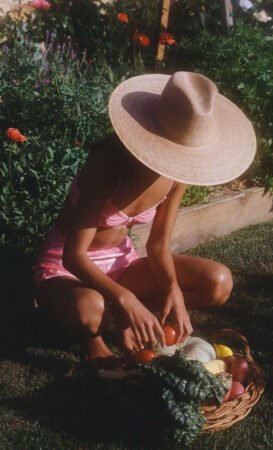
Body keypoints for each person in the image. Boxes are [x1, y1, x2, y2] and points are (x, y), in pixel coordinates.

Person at [33, 71, 256, 367]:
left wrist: (172, 290)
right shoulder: (107, 163)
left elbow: (159, 245)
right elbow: (74, 256)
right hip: (66, 269)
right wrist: (127, 299)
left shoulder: (178, 174)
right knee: (91, 309)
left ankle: (122, 319)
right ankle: (95, 337)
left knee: (218, 282)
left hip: (121, 265)